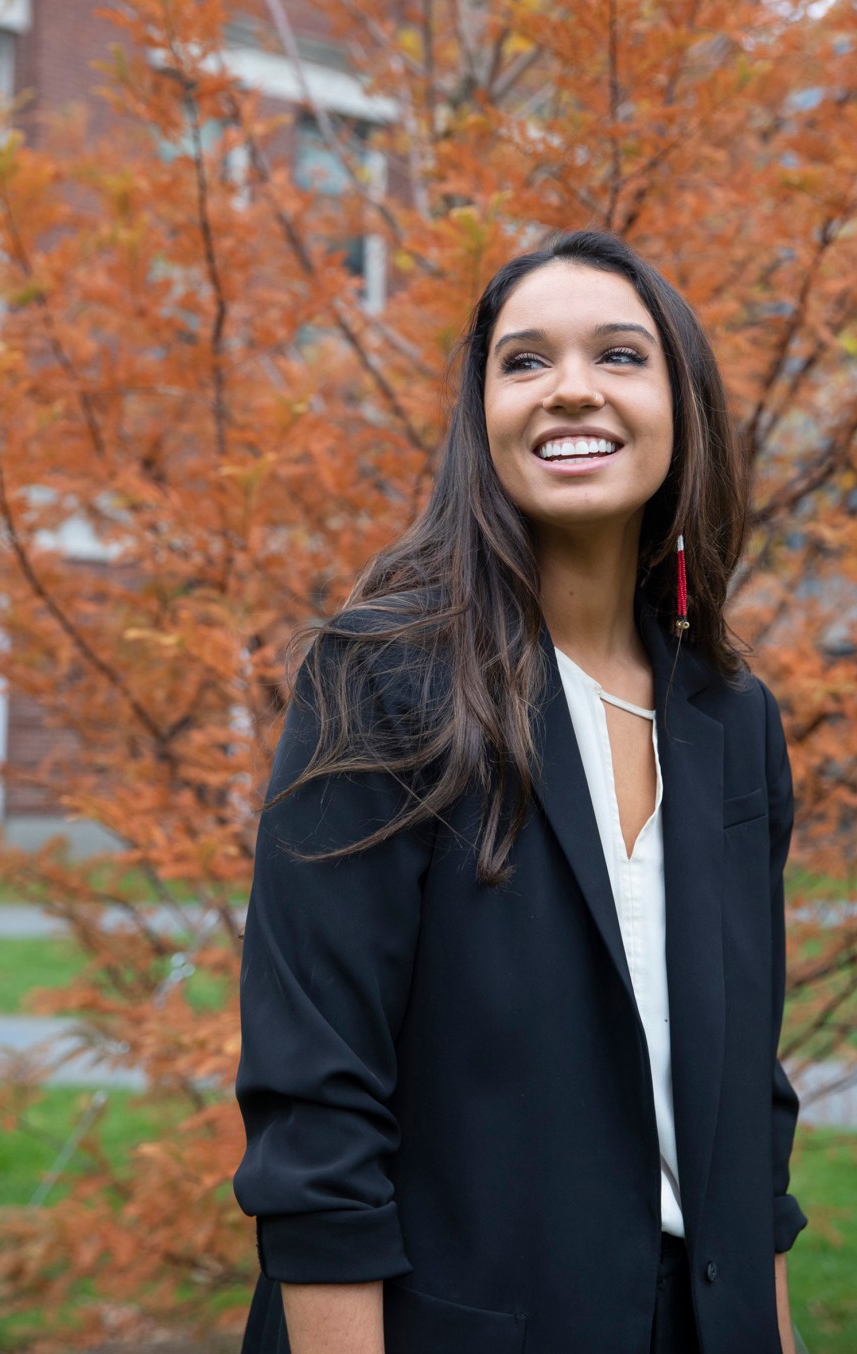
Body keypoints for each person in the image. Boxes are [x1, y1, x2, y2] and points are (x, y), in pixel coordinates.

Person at [234, 229, 807, 1354]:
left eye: (620, 355)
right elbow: (319, 1106)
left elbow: (751, 1104)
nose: (571, 389)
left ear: (682, 407)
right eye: (525, 360)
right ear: (481, 416)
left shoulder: (732, 719)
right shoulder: (382, 680)